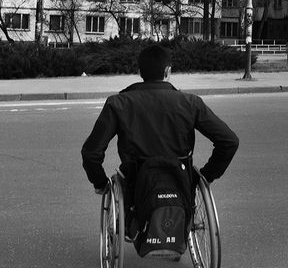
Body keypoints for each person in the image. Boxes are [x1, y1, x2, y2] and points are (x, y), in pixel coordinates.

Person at [81, 44, 239, 226]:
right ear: (168, 71)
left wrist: (100, 183)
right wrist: (206, 176)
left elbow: (91, 152)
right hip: (180, 179)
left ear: (140, 72)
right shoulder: (190, 103)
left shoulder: (118, 103)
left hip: (136, 181)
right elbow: (229, 141)